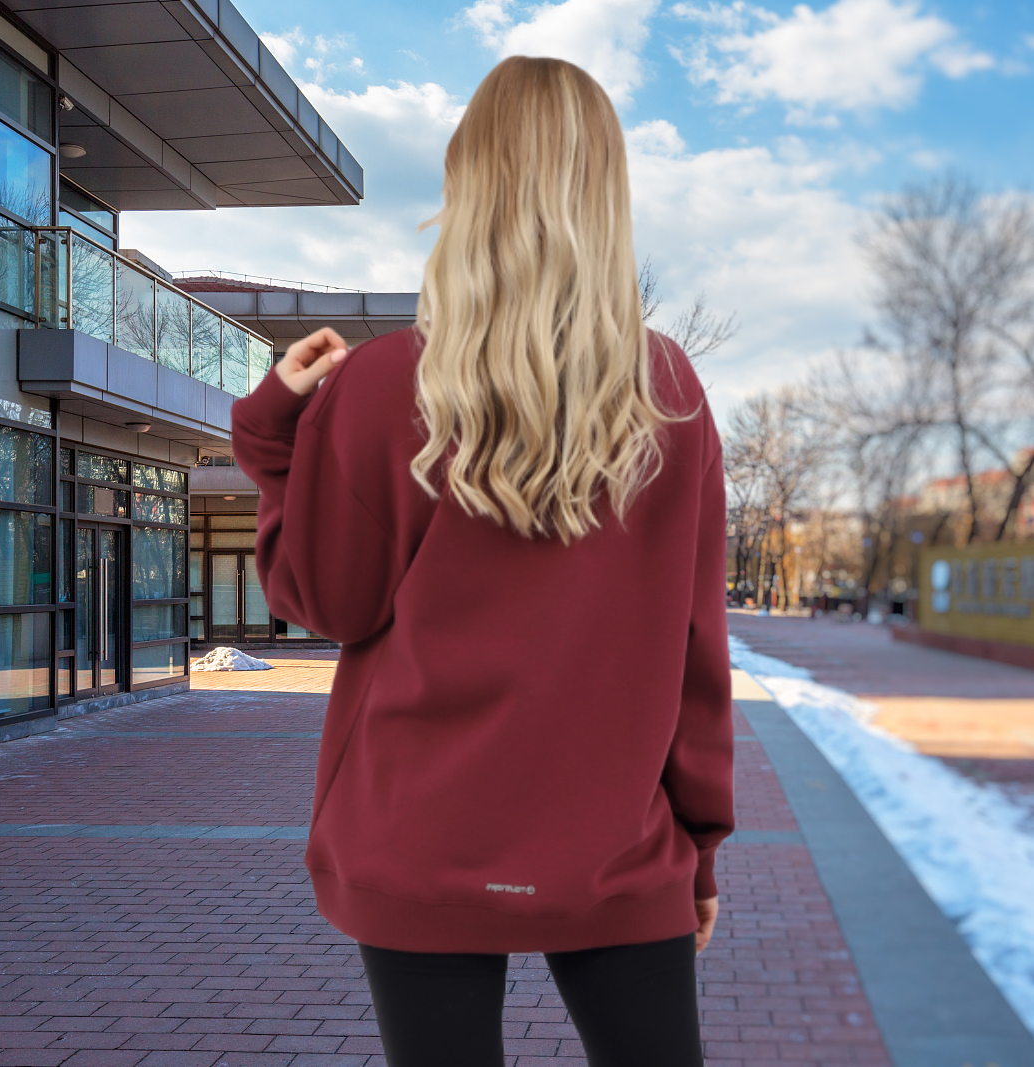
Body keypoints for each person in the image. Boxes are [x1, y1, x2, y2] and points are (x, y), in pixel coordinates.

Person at [231, 55, 734, 1067]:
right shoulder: (667, 391)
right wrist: (700, 844)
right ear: (602, 193)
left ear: (469, 186)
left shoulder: (381, 385)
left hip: (415, 836)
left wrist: (274, 432)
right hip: (616, 845)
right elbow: (695, 649)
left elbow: (323, 599)